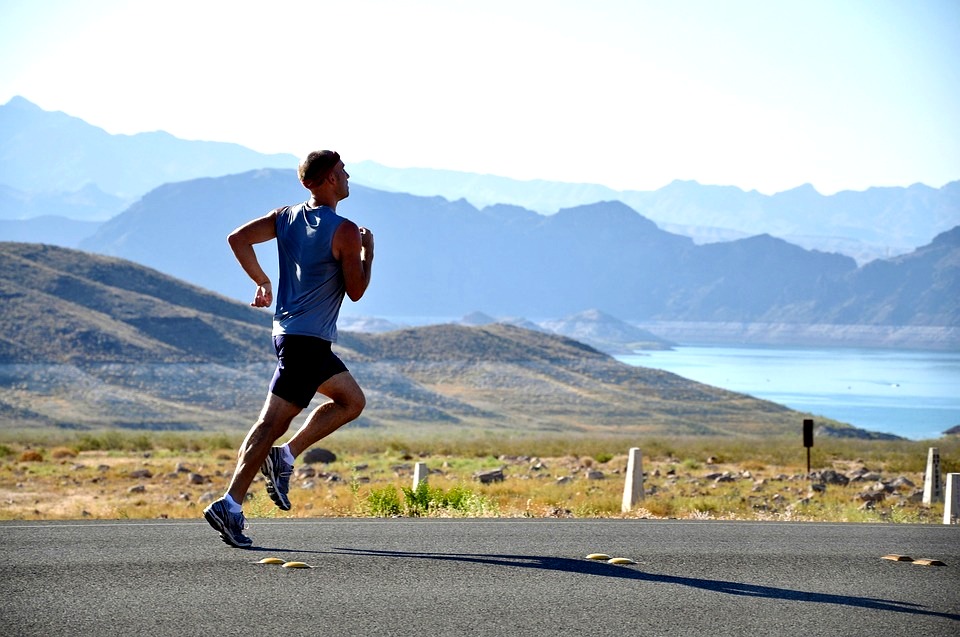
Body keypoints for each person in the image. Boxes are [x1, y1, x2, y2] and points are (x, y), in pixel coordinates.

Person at [203, 150, 374, 548]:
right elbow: (356, 291)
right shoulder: (345, 231)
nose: (348, 177)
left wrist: (262, 281)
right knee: (269, 424)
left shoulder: (286, 216)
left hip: (293, 336)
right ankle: (230, 504)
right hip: (306, 342)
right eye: (344, 172)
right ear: (330, 178)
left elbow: (238, 238)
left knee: (351, 401)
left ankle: (285, 456)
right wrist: (368, 252)